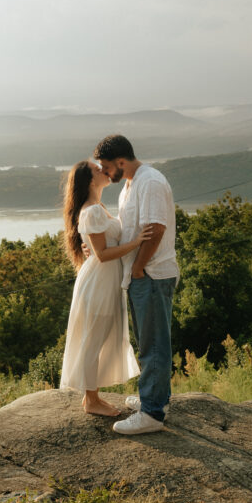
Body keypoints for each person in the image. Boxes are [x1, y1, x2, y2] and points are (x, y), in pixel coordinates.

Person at [93, 134, 179, 434]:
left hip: (152, 274)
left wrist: (140, 267)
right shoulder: (129, 185)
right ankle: (153, 400)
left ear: (120, 161)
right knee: (148, 341)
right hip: (141, 276)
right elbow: (128, 229)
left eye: (106, 167)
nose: (105, 173)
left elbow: (155, 229)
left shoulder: (150, 181)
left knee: (154, 345)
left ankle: (153, 414)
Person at [59, 159, 153, 416]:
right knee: (94, 338)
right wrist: (137, 243)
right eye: (97, 169)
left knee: (99, 337)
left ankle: (92, 396)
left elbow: (97, 246)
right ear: (90, 180)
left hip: (105, 280)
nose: (103, 170)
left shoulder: (98, 207)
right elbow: (102, 254)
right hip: (99, 281)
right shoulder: (92, 211)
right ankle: (91, 400)